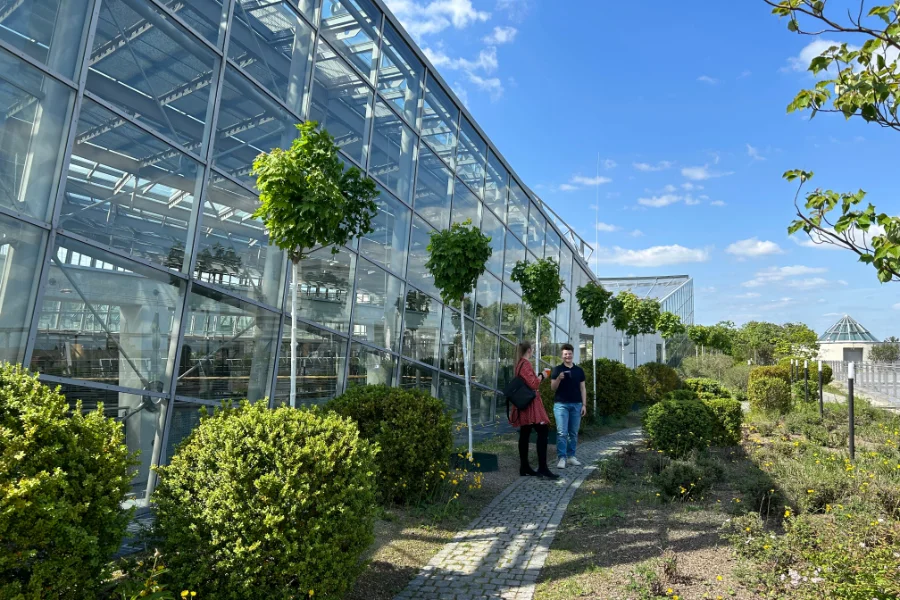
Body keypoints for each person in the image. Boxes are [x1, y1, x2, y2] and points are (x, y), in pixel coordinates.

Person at [508, 341, 559, 479]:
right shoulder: (526, 364)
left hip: (523, 404)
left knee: (525, 433)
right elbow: (533, 384)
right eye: (533, 350)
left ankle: (524, 467)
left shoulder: (518, 364)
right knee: (543, 431)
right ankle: (542, 468)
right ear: (529, 350)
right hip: (530, 405)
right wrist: (543, 375)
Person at [550, 343, 587, 469]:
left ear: (573, 354)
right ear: (562, 355)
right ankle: (562, 457)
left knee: (573, 432)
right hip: (561, 405)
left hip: (576, 405)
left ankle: (571, 456)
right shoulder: (557, 370)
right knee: (562, 432)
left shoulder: (579, 370)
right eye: (565, 354)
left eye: (570, 354)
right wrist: (559, 379)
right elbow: (552, 388)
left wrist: (584, 405)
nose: (568, 356)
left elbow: (583, 388)